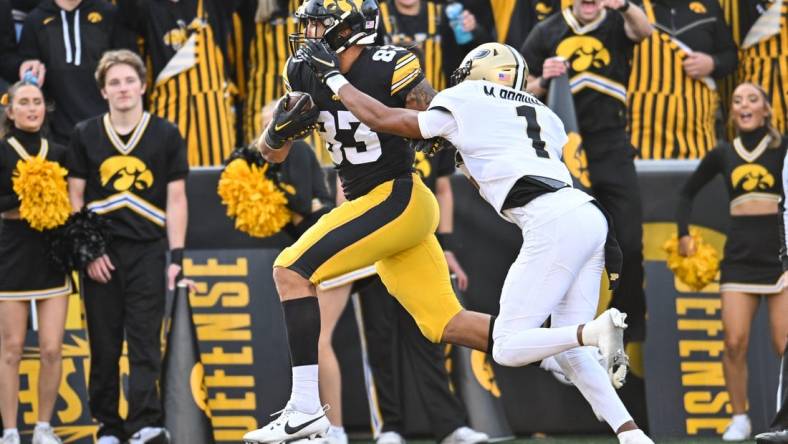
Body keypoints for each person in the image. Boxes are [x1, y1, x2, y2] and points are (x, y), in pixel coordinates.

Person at [240, 0, 591, 441]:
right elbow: (271, 154)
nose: (309, 34)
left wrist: (434, 136)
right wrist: (277, 131)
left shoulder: (390, 62)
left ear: (348, 30)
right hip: (375, 204)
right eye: (307, 24)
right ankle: (564, 348)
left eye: (318, 24)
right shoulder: (302, 71)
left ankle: (307, 409)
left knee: (290, 271)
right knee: (447, 323)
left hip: (398, 198)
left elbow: (435, 123)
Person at [297, 39, 650, 443]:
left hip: (550, 221)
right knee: (570, 352)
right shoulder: (544, 114)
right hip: (588, 215)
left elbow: (382, 117)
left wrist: (334, 77)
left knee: (507, 346)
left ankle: (593, 332)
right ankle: (631, 433)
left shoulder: (465, 97)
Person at [67, 49, 189, 444]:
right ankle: (108, 425)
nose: (123, 88)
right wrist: (89, 252)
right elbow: (75, 198)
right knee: (103, 345)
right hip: (101, 255)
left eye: (129, 80)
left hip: (148, 251)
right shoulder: (85, 133)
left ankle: (145, 423)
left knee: (144, 342)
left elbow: (177, 200)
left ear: (142, 85)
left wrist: (176, 257)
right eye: (114, 82)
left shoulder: (166, 133)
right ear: (103, 91)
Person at [520, 0, 651, 342]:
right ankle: (558, 332)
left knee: (631, 242)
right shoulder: (546, 31)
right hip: (565, 148)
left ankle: (627, 326)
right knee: (566, 243)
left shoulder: (617, 23)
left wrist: (624, 5)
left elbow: (644, 30)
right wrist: (543, 81)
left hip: (612, 144)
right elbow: (520, 89)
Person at [677, 82, 788, 441]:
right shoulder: (723, 151)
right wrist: (684, 234)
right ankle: (739, 417)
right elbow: (686, 192)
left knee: (784, 344)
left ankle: (782, 421)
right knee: (734, 341)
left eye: (753, 99)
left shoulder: (783, 148)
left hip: (779, 257)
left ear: (767, 109)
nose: (744, 105)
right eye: (737, 100)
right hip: (739, 258)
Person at [0, 81, 70, 444]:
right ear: (10, 111)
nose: (31, 108)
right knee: (11, 349)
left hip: (50, 254)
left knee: (51, 348)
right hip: (11, 254)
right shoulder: (2, 151)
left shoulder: (58, 151)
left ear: (45, 108)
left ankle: (44, 427)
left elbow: (70, 205)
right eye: (23, 102)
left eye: (37, 102)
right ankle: (10, 431)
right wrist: (29, 191)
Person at [116, 0, 236, 167]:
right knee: (170, 180)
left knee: (218, 182)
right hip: (168, 110)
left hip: (214, 113)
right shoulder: (145, 8)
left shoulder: (213, 5)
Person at [627, 0, 737, 159]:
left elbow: (731, 56)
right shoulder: (632, 7)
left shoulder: (709, 6)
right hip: (640, 133)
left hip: (696, 133)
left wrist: (713, 62)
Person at [17, 0, 124, 145]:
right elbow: (28, 72)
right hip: (56, 134)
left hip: (107, 129)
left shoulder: (110, 13)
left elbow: (125, 68)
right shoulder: (35, 20)